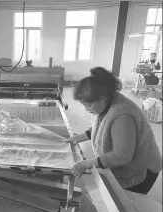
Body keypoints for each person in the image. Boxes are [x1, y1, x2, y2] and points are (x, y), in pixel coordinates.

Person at [67, 67, 162, 195]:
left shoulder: (122, 115)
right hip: (127, 160)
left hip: (141, 169)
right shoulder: (108, 102)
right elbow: (102, 127)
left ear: (103, 98)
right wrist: (77, 138)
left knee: (125, 204)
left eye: (88, 105)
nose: (86, 109)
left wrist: (87, 164)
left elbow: (122, 155)